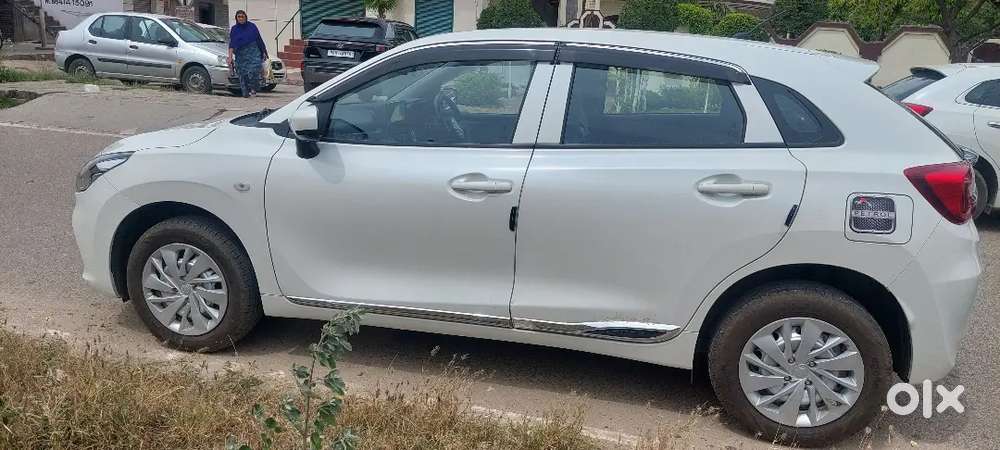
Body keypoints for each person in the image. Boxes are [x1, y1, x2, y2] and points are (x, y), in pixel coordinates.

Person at [228, 10, 268, 97]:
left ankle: (253, 88)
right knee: (243, 74)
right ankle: (246, 92)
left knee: (254, 70)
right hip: (241, 54)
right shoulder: (234, 29)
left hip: (253, 51)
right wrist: (230, 57)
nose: (241, 18)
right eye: (239, 17)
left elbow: (259, 39)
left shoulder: (252, 26)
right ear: (236, 18)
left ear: (245, 17)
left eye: (242, 16)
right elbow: (232, 44)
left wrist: (263, 52)